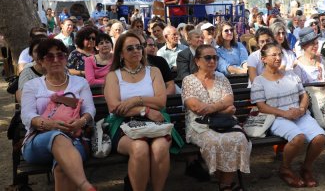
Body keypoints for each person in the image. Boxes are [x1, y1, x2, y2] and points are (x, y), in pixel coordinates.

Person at [21, 39, 96, 191]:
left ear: (66, 58)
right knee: (57, 136)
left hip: (74, 138)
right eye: (49, 57)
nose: (55, 60)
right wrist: (46, 124)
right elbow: (27, 115)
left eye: (60, 56)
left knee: (62, 166)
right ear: (41, 61)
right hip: (37, 141)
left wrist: (81, 122)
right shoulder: (32, 86)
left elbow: (90, 110)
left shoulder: (80, 82)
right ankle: (85, 186)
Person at [251, 43, 325, 188]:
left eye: (280, 54)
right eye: (273, 55)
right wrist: (284, 113)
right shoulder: (259, 81)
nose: (278, 57)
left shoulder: (291, 74)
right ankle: (285, 168)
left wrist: (302, 109)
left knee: (320, 138)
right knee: (298, 137)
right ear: (263, 59)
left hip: (299, 114)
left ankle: (306, 168)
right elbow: (261, 106)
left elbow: (303, 95)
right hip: (277, 117)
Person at [104, 32, 170, 191]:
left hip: (156, 121)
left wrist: (134, 100)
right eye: (130, 48)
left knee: (160, 147)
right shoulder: (113, 76)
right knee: (139, 148)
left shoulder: (153, 71)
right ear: (121, 53)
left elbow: (161, 102)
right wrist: (145, 109)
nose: (136, 51)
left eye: (139, 47)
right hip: (123, 124)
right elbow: (115, 107)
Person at [181, 44, 251, 190]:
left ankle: (225, 184)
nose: (212, 61)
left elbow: (229, 100)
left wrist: (210, 108)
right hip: (199, 125)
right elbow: (195, 107)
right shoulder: (188, 81)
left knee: (238, 138)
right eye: (208, 58)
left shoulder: (222, 78)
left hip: (225, 123)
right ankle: (225, 182)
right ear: (197, 61)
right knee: (214, 141)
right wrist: (223, 110)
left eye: (215, 57)